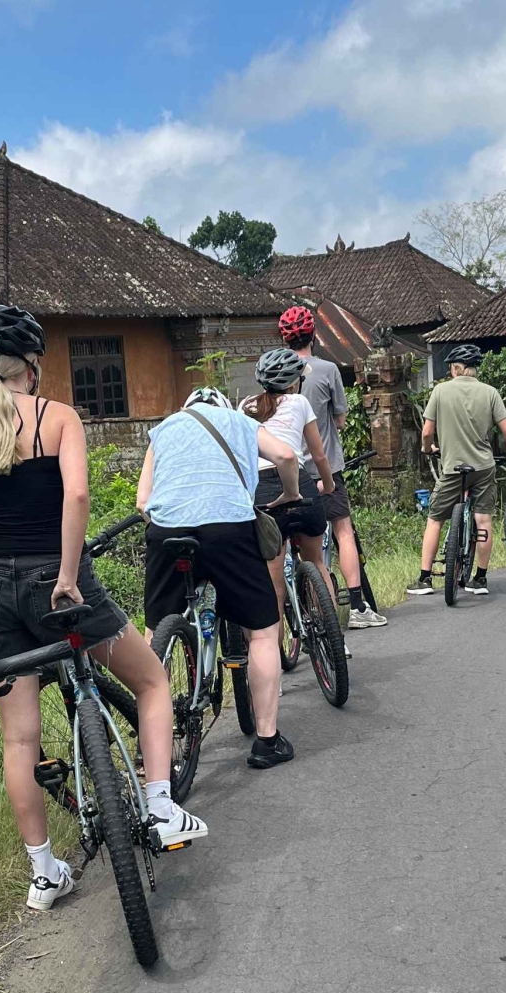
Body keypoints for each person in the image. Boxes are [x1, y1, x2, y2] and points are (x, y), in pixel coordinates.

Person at [0, 304, 207, 911]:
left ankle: (43, 874)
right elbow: (77, 494)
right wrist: (64, 577)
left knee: (18, 739)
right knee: (151, 681)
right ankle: (161, 807)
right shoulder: (57, 418)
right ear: (32, 365)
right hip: (58, 583)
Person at [137, 387, 301, 769]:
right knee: (262, 631)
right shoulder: (239, 421)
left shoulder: (164, 429)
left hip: (168, 532)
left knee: (155, 629)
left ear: (186, 409)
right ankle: (267, 741)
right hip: (228, 529)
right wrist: (289, 494)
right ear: (223, 407)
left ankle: (149, 745)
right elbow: (286, 455)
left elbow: (143, 501)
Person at [281, 306, 386, 629]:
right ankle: (357, 607)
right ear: (313, 336)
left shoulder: (276, 370)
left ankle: (302, 611)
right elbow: (340, 419)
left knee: (292, 543)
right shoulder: (327, 370)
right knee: (343, 531)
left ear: (284, 340)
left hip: (287, 473)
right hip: (324, 468)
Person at [407, 343, 506, 597]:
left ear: (457, 368)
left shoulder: (440, 391)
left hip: (452, 468)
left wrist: (428, 449)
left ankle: (425, 579)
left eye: (451, 367)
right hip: (483, 467)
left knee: (435, 519)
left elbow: (427, 432)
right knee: (483, 519)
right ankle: (480, 578)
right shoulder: (490, 392)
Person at [242, 348, 337, 623]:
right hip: (299, 482)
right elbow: (319, 455)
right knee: (317, 563)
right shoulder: (299, 402)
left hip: (262, 490)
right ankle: (334, 636)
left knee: (273, 582)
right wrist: (328, 484)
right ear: (295, 381)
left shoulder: (246, 406)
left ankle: (274, 644)